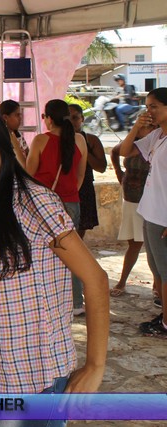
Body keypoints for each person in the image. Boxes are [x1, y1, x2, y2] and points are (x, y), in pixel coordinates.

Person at [0, 97, 109, 426]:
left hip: (34, 382)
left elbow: (95, 278)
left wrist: (95, 365)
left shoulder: (34, 202)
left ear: (0, 141)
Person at [27, 99, 88, 315]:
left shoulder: (41, 140)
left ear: (49, 118)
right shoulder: (79, 139)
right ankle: (76, 302)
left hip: (44, 204)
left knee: (42, 253)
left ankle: (47, 300)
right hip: (71, 202)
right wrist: (68, 193)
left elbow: (29, 175)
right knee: (73, 253)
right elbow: (80, 175)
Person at [118, 87, 167, 338]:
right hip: (150, 211)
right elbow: (125, 151)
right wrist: (137, 127)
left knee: (165, 272)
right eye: (147, 107)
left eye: (154, 106)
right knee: (157, 270)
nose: (149, 111)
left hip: (163, 216)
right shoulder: (158, 135)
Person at [109, 125, 159, 299]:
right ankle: (123, 281)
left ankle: (157, 283)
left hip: (150, 200)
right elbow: (115, 152)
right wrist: (119, 172)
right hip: (131, 199)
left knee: (153, 245)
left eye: (151, 126)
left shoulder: (157, 143)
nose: (148, 129)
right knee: (134, 244)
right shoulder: (133, 144)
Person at [67, 104, 107, 237]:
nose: (71, 122)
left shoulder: (91, 140)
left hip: (84, 188)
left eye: (75, 118)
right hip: (64, 187)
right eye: (68, 118)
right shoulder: (57, 139)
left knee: (81, 228)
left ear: (82, 119)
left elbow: (101, 167)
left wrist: (83, 148)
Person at [0, 99, 28, 166]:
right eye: (17, 115)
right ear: (5, 117)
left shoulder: (18, 135)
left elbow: (28, 156)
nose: (20, 118)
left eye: (20, 115)